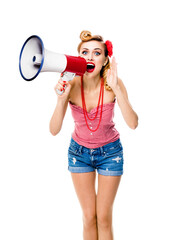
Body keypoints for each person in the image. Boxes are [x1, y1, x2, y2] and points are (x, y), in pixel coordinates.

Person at [49, 30, 138, 240]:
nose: (90, 57)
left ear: (105, 59)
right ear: (78, 58)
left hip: (110, 153)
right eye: (85, 52)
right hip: (79, 153)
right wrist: (61, 99)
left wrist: (117, 88)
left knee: (104, 218)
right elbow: (54, 130)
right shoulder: (70, 84)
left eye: (97, 53)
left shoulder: (113, 83)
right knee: (89, 217)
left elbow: (133, 123)